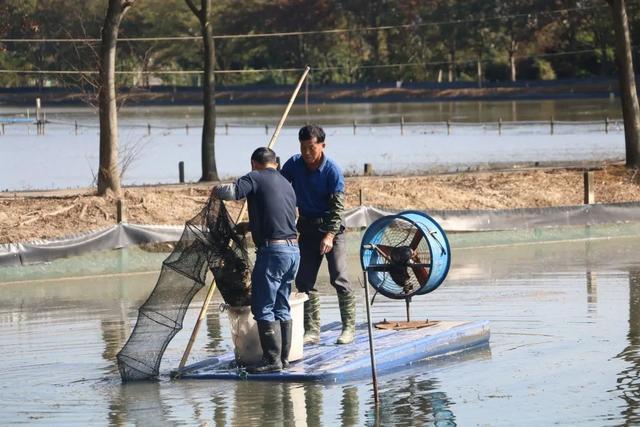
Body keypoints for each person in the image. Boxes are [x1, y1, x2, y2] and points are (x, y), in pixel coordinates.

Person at [213, 147, 299, 373]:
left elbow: (231, 192)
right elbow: (280, 217)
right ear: (276, 163)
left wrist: (215, 190)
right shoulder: (286, 184)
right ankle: (284, 358)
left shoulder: (255, 176)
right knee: (282, 305)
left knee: (263, 307)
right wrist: (251, 226)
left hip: (273, 253)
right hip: (293, 251)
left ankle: (271, 361)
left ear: (254, 163)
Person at [280, 125, 356, 345]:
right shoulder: (294, 164)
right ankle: (312, 330)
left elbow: (337, 208)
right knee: (304, 280)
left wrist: (330, 236)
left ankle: (348, 328)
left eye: (311, 147)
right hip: (307, 227)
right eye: (303, 147)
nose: (306, 152)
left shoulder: (332, 170)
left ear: (322, 145)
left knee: (339, 277)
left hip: (333, 228)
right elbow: (281, 188)